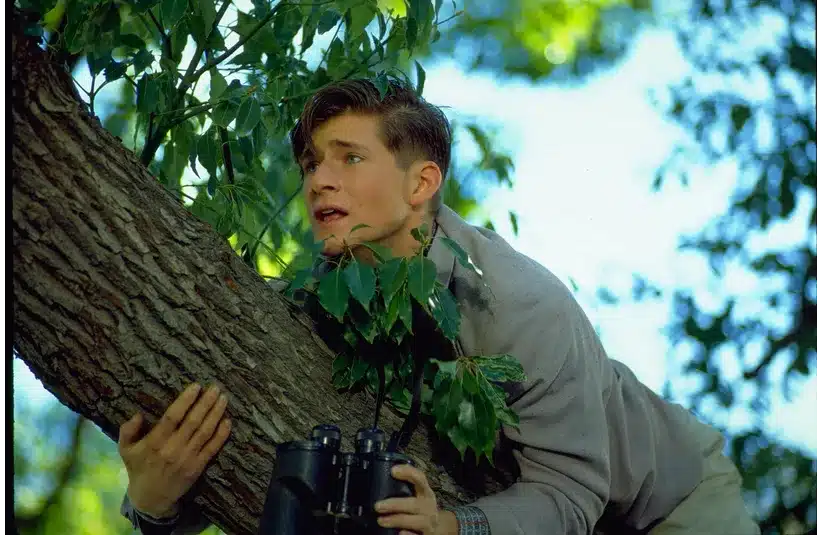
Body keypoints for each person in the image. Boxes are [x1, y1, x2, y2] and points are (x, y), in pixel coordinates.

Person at [119, 77, 760, 535]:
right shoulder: (315, 299)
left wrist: (458, 526)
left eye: (350, 157)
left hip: (666, 508)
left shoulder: (520, 302)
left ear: (421, 183)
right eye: (312, 162)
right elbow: (278, 455)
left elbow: (570, 496)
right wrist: (155, 508)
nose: (318, 179)